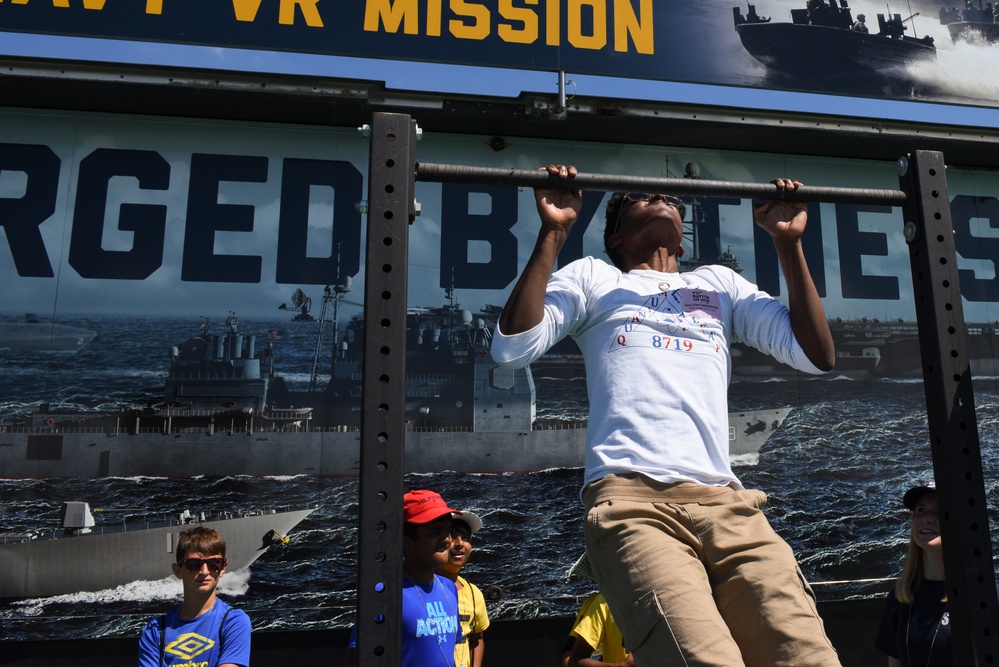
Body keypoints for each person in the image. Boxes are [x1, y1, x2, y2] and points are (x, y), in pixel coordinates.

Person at [491, 165, 839, 666]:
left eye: (670, 195)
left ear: (682, 233)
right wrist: (554, 232)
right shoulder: (595, 276)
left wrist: (788, 244)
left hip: (729, 504)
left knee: (809, 656)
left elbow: (816, 356)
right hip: (634, 505)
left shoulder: (719, 283)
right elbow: (513, 347)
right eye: (638, 193)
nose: (658, 195)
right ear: (615, 234)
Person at [343, 489, 463, 667]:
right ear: (406, 540)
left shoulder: (449, 588)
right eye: (435, 532)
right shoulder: (384, 594)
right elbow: (356, 661)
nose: (447, 539)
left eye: (448, 531)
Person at [137, 525, 251, 667]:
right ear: (177, 571)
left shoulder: (234, 622)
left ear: (223, 568)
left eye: (214, 563)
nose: (204, 571)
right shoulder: (154, 630)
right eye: (193, 564)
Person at [875, 482, 951, 666]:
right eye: (921, 510)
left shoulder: (983, 595)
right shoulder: (900, 597)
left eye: (939, 511)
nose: (927, 518)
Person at [436, 510, 490, 667]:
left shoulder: (474, 593)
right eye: (452, 536)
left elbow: (476, 637)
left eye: (465, 538)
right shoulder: (419, 588)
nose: (459, 543)